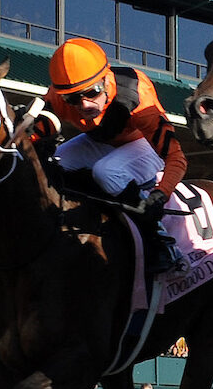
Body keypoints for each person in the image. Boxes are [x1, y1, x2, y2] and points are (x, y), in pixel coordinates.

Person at [44, 38, 187, 273]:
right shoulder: (58, 95)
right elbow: (36, 131)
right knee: (54, 163)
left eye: (91, 92)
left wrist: (161, 194)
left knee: (106, 171)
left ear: (105, 79)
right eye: (73, 99)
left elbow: (176, 157)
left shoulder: (136, 94)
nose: (84, 104)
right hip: (101, 141)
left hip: (144, 145)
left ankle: (161, 241)